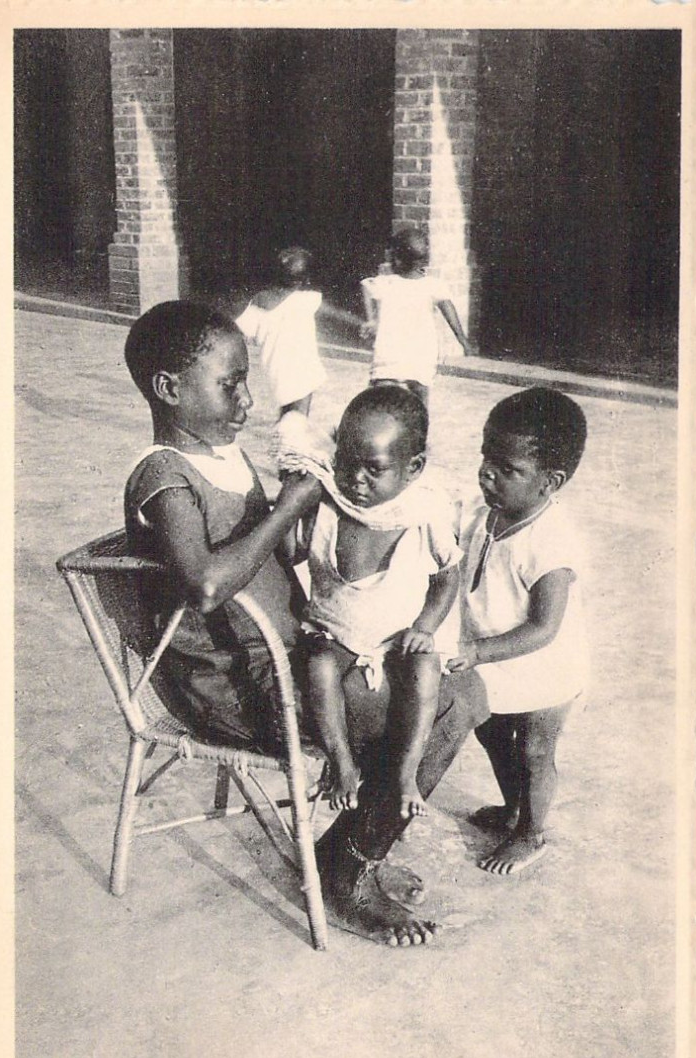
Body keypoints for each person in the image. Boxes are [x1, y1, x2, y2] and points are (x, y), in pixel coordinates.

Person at [123, 300, 490, 946]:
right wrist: (291, 501)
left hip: (285, 657)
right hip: (238, 686)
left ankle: (347, 849)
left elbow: (286, 550)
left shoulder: (223, 455)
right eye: (229, 382)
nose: (246, 398)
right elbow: (206, 583)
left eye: (245, 380)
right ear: (169, 389)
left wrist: (350, 516)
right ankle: (347, 869)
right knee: (454, 701)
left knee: (439, 681)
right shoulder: (162, 476)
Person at [290, 384, 461, 820]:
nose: (356, 479)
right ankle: (341, 762)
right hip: (334, 635)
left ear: (413, 468)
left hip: (396, 641)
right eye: (346, 463)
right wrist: (295, 498)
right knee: (320, 665)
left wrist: (424, 627)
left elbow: (447, 577)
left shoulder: (425, 513)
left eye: (373, 469)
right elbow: (290, 551)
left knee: (426, 669)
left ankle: (406, 772)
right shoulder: (327, 504)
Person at [446, 387, 588, 876]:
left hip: (543, 667)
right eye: (486, 458)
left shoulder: (552, 541)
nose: (488, 473)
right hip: (490, 657)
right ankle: (512, 808)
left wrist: (477, 650)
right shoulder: (479, 512)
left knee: (533, 748)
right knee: (490, 733)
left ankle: (531, 832)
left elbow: (544, 627)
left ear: (551, 482)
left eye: (508, 469)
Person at [236, 246, 359, 419]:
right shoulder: (307, 299)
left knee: (288, 413)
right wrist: (361, 323)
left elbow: (241, 331)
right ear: (305, 279)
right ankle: (289, 443)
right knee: (298, 420)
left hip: (276, 372)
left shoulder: (260, 300)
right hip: (302, 370)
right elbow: (336, 313)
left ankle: (286, 437)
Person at [360, 226, 474, 407]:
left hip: (388, 358)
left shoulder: (384, 283)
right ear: (424, 260)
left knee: (379, 401)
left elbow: (365, 285)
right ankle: (421, 431)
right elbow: (448, 309)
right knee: (420, 403)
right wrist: (463, 340)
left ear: (395, 259)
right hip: (421, 359)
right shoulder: (434, 285)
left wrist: (371, 319)